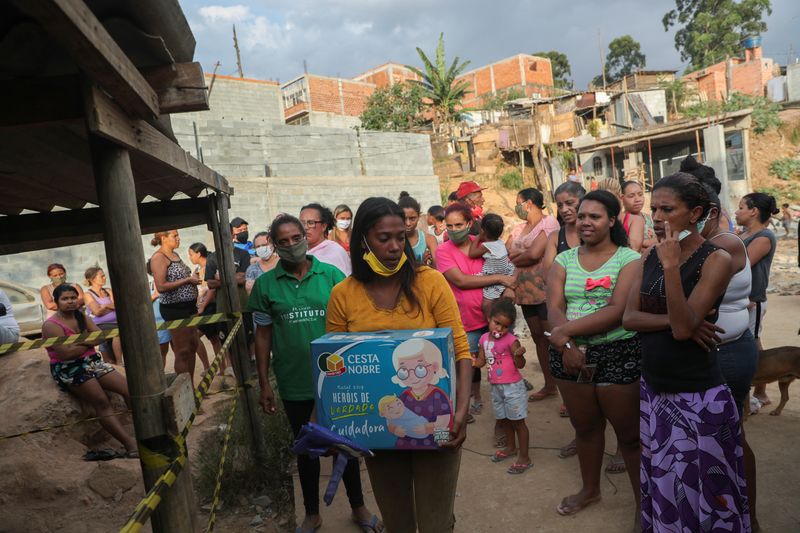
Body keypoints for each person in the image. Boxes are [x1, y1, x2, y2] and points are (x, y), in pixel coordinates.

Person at [326, 197, 473, 533]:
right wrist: (334, 421)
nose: (395, 247)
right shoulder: (342, 295)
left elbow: (461, 349)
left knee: (436, 522)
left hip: (438, 423)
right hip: (380, 432)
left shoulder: (431, 282)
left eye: (401, 237)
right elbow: (332, 364)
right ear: (362, 239)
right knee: (397, 522)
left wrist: (460, 412)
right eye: (383, 238)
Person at [623, 173, 749, 532]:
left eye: (668, 209)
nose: (658, 217)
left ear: (695, 213)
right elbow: (631, 317)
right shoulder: (649, 254)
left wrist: (671, 266)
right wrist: (681, 320)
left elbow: (683, 329)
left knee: (706, 491)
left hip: (698, 398)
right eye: (654, 209)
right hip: (656, 393)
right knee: (669, 488)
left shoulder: (716, 259)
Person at [248, 214, 380, 533]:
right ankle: (311, 513)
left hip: (337, 380)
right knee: (306, 448)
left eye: (296, 238)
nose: (291, 245)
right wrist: (264, 382)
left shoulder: (331, 274)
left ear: (306, 238)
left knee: (344, 447)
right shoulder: (266, 285)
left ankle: (359, 507)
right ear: (274, 246)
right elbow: (262, 336)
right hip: (294, 381)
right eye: (283, 241)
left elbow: (351, 325)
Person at [545, 190, 641, 520]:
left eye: (594, 216)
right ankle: (590, 489)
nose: (585, 221)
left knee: (629, 437)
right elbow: (554, 306)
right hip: (567, 355)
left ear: (612, 220)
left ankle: (646, 506)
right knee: (585, 428)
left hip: (618, 351)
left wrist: (567, 334)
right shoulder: (564, 259)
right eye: (582, 215)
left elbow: (617, 310)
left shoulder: (629, 259)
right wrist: (569, 347)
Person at [699, 184, 761, 530]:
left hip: (725, 351)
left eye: (669, 209)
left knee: (731, 438)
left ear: (703, 212)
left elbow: (688, 315)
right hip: (718, 349)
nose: (659, 218)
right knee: (714, 439)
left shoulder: (722, 245)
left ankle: (747, 516)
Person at [436, 202, 516, 422]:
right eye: (449, 225)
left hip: (493, 319)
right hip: (465, 319)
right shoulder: (443, 250)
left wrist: (509, 287)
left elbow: (507, 268)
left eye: (459, 224)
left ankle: (507, 409)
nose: (453, 229)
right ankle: (469, 402)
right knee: (468, 364)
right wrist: (500, 279)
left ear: (470, 223)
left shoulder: (484, 242)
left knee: (500, 361)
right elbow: (460, 281)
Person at [42, 284, 138, 458]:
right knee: (101, 402)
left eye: (72, 297)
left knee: (130, 390)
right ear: (56, 302)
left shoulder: (81, 316)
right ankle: (130, 444)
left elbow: (101, 336)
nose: (70, 302)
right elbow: (65, 354)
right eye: (65, 299)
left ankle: (143, 431)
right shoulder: (51, 325)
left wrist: (79, 344)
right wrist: (88, 341)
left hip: (91, 361)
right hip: (69, 368)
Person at [506, 188, 560, 404]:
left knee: (554, 338)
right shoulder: (521, 228)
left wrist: (519, 256)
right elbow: (507, 251)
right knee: (538, 337)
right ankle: (550, 385)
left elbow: (535, 253)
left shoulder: (549, 224)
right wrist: (522, 256)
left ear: (529, 203)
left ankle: (568, 389)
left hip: (545, 290)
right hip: (525, 293)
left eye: (518, 202)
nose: (517, 206)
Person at [475, 298, 531, 475]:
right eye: (496, 323)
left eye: (505, 326)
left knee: (518, 422)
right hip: (496, 387)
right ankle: (511, 447)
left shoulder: (511, 340)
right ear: (489, 319)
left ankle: (524, 457)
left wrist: (519, 354)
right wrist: (473, 362)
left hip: (512, 387)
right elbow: (482, 361)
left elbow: (520, 364)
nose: (499, 329)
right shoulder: (483, 338)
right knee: (504, 419)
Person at [736, 192, 779, 407]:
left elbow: (743, 263)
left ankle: (761, 390)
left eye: (741, 207)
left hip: (753, 299)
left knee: (753, 343)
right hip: (741, 300)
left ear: (753, 211)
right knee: (749, 341)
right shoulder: (743, 234)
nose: (737, 211)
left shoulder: (764, 237)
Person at [149, 230, 201, 380]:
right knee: (182, 350)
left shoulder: (175, 255)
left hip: (189, 307)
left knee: (193, 345)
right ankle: (185, 388)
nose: (179, 238)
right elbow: (161, 286)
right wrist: (187, 280)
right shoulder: (159, 258)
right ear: (163, 238)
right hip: (175, 309)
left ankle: (190, 384)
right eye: (175, 236)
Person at [468, 213, 515, 318]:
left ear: (483, 230)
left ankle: (490, 321)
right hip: (506, 274)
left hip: (494, 278)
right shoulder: (500, 242)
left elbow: (471, 254)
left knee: (486, 304)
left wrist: (478, 237)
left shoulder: (486, 246)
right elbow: (507, 252)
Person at [83, 267, 123, 365]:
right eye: (102, 276)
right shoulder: (88, 295)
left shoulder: (108, 291)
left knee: (118, 331)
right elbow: (97, 312)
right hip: (99, 325)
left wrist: (105, 306)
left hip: (114, 322)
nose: (105, 278)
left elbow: (119, 306)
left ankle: (115, 363)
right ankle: (119, 362)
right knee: (117, 331)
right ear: (92, 279)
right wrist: (111, 307)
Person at [300, 203, 352, 276]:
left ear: (324, 226)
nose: (305, 227)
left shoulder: (335, 253)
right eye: (302, 223)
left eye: (311, 223)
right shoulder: (299, 251)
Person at [187, 243, 213, 372]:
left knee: (214, 339)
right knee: (211, 339)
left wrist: (202, 306)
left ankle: (225, 368)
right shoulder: (197, 269)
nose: (189, 258)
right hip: (201, 307)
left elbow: (211, 290)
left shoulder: (209, 266)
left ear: (198, 254)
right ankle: (210, 367)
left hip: (209, 307)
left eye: (191, 254)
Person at [398, 191, 438, 267]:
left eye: (412, 218)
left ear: (419, 217)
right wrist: (421, 265)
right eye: (403, 218)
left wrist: (428, 266)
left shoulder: (429, 239)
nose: (408, 223)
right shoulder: (393, 241)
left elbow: (437, 267)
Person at [619, 181, 656, 252]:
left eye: (640, 194)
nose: (637, 199)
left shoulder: (649, 218)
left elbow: (660, 240)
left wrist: (641, 242)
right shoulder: (622, 221)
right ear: (622, 198)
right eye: (631, 196)